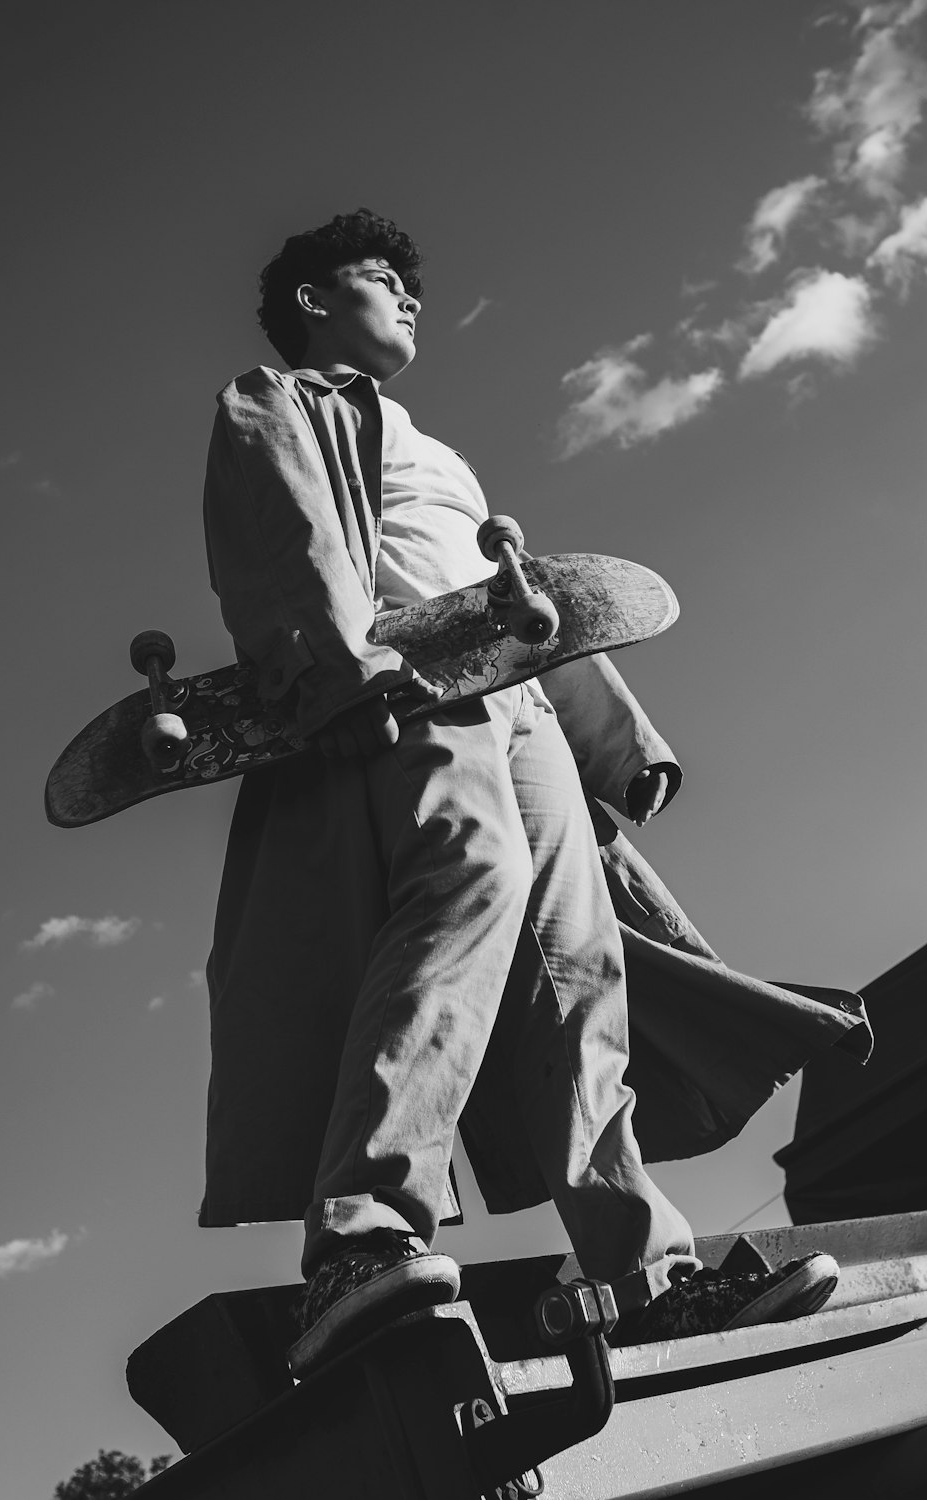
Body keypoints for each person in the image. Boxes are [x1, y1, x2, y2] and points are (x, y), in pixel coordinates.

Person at [200, 210, 866, 1373]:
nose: (409, 298)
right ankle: (363, 1236)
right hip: (406, 686)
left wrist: (614, 738)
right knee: (468, 890)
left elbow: (525, 602)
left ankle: (645, 1278)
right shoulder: (281, 400)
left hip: (519, 710)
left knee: (577, 967)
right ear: (313, 301)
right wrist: (336, 674)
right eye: (379, 280)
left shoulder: (444, 454)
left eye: (412, 285)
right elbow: (277, 536)